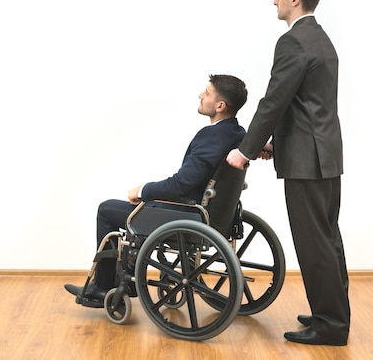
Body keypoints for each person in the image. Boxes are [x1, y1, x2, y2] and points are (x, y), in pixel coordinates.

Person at [226, 0, 350, 346]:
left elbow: (275, 101)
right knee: (328, 239)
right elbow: (310, 106)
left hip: (307, 161)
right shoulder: (321, 39)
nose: (275, 0)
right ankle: (331, 313)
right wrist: (277, 146)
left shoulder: (294, 41)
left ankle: (330, 326)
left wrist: (245, 150)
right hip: (324, 154)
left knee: (314, 242)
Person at [65, 74, 248, 306]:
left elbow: (181, 184)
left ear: (220, 106)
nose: (201, 96)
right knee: (134, 208)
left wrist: (143, 190)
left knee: (107, 209)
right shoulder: (237, 133)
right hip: (213, 215)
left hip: (187, 216)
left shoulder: (211, 136)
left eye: (207, 93)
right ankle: (121, 279)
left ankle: (102, 288)